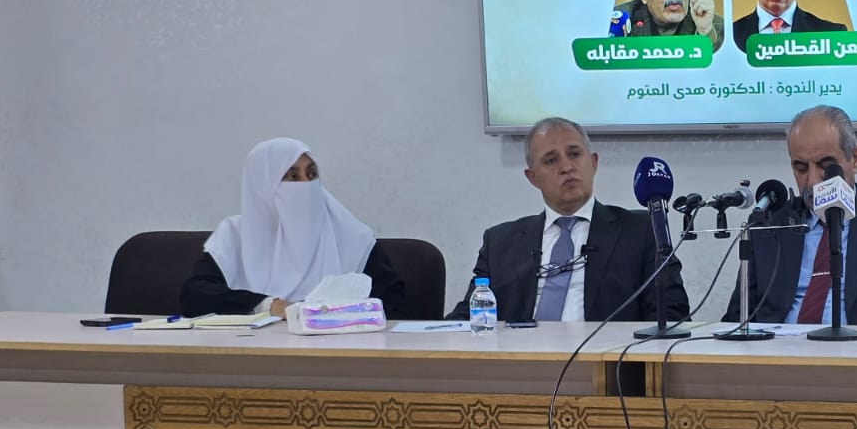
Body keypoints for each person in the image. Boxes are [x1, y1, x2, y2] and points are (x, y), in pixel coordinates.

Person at [450, 117, 690, 323]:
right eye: (551, 160)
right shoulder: (500, 242)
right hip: (521, 358)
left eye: (574, 154)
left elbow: (671, 315)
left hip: (605, 359)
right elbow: (470, 317)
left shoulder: (641, 231)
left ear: (593, 163)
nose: (566, 167)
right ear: (533, 177)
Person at [723, 105, 857, 328]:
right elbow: (738, 318)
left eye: (826, 166)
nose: (812, 181)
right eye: (801, 168)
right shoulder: (768, 225)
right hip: (779, 346)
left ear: (855, 159)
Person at [180, 137, 407, 319]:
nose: (306, 185)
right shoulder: (235, 235)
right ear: (262, 186)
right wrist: (271, 306)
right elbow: (195, 296)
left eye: (311, 174)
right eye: (292, 176)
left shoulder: (350, 236)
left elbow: (395, 307)